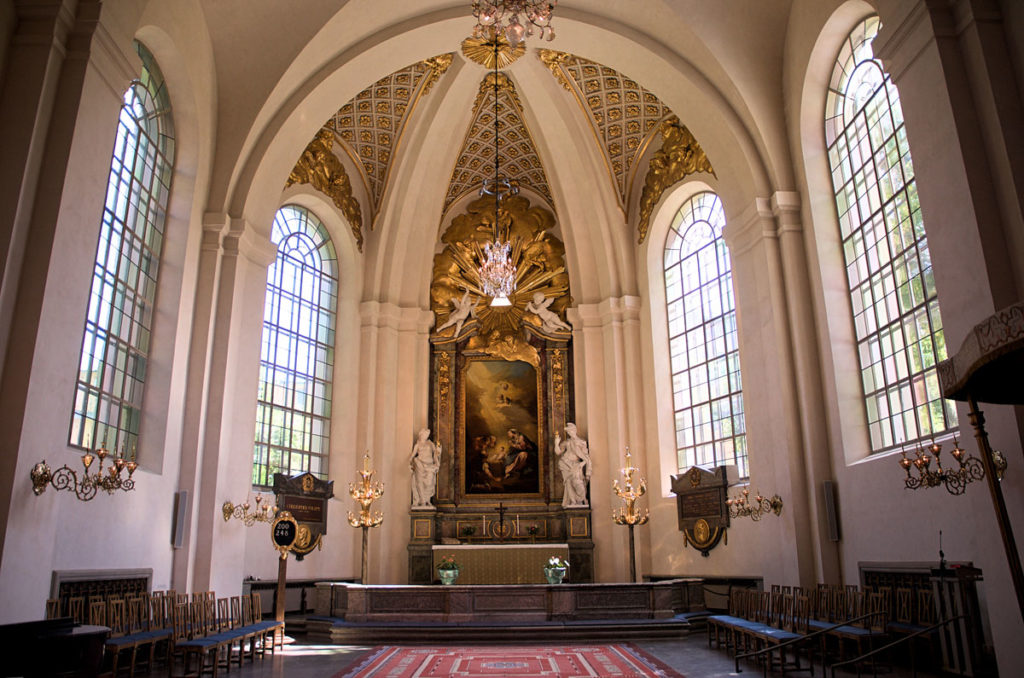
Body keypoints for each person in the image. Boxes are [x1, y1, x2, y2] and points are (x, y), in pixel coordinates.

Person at [554, 422, 592, 507]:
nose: (569, 433)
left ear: (575, 430)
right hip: (565, 463)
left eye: (570, 431)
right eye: (568, 432)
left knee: (579, 483)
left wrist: (582, 463)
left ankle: (581, 499)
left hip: (576, 465)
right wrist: (556, 443)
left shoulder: (582, 442)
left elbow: (586, 456)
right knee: (568, 482)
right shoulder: (567, 442)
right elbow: (558, 452)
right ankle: (573, 501)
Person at [409, 429, 441, 509]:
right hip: (420, 465)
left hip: (429, 466)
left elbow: (436, 453)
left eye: (427, 434)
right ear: (421, 435)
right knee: (420, 483)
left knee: (429, 483)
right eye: (425, 434)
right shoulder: (417, 445)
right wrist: (410, 464)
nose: (427, 436)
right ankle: (423, 501)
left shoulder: (430, 443)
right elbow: (412, 456)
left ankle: (427, 499)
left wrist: (438, 450)